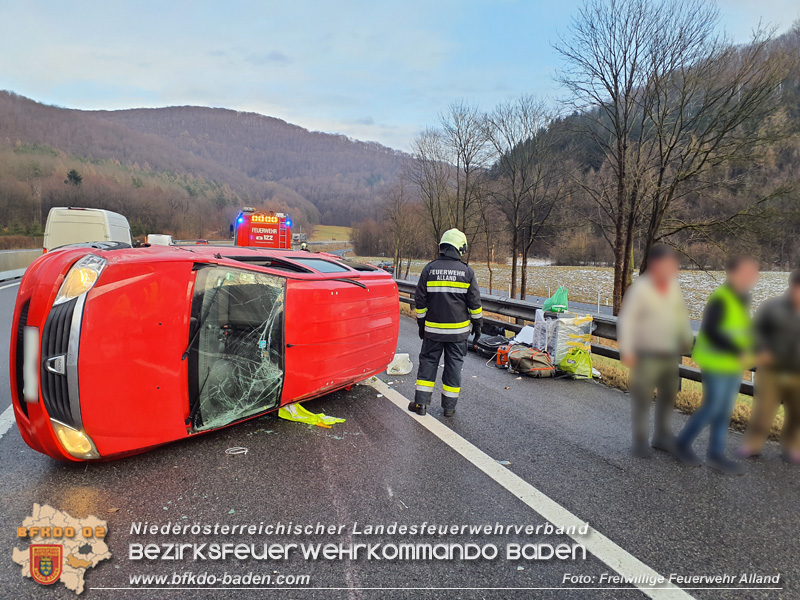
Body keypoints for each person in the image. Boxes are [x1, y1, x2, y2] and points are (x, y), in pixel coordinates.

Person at [675, 256, 760, 474]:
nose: (754, 277)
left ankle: (716, 455)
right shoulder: (721, 298)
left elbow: (740, 330)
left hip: (732, 364)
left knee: (725, 409)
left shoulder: (742, 298)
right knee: (713, 406)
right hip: (715, 362)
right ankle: (682, 444)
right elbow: (712, 332)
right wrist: (739, 349)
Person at [618, 245, 693, 458]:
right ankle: (640, 441)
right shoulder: (640, 289)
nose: (675, 269)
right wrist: (627, 350)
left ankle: (661, 436)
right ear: (655, 264)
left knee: (668, 394)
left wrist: (686, 339)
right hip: (645, 354)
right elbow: (626, 320)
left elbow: (680, 314)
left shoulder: (673, 286)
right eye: (670, 265)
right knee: (643, 398)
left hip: (669, 354)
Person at [410, 229, 482, 417]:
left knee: (428, 364)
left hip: (433, 331)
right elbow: (475, 303)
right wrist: (478, 326)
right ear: (460, 248)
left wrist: (421, 324)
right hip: (458, 334)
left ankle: (421, 405)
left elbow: (420, 301)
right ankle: (449, 408)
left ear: (443, 246)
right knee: (453, 367)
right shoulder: (467, 272)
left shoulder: (429, 269)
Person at [737, 269, 800, 464]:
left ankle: (793, 448)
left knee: (797, 414)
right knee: (763, 411)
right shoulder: (771, 307)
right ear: (792, 286)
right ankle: (753, 445)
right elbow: (755, 333)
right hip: (770, 371)